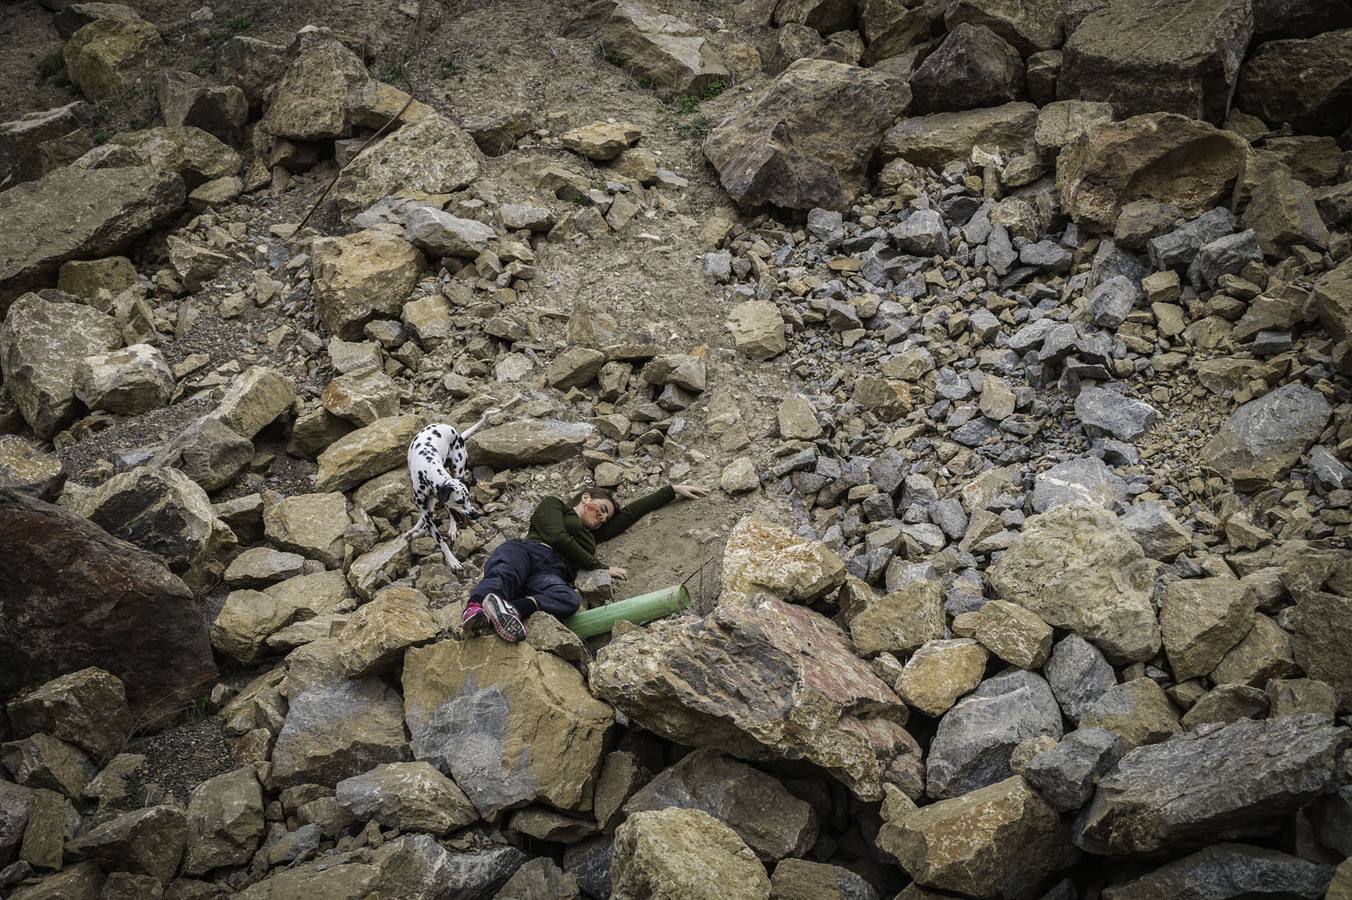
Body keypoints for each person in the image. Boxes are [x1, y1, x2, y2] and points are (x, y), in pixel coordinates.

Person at [462, 482, 709, 641]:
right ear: (586, 497)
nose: (602, 518)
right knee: (506, 572)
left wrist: (671, 490)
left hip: (552, 573)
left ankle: (510, 611)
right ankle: (475, 610)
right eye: (602, 509)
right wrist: (599, 567)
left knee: (568, 599)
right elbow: (556, 537)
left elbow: (630, 513)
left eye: (606, 518)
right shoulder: (554, 505)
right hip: (528, 551)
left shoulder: (592, 535)